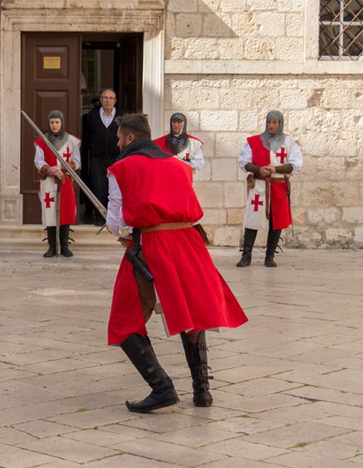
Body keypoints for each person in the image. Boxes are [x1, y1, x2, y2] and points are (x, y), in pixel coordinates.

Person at [106, 114, 247, 412]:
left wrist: (122, 233)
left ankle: (162, 388)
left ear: (130, 138)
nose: (117, 144)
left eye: (119, 138)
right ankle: (202, 390)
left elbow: (116, 222)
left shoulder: (121, 168)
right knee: (191, 311)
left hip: (151, 245)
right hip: (189, 243)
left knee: (123, 318)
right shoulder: (180, 165)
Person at [236, 110, 303, 268]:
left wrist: (276, 169)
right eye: (269, 122)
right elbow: (244, 162)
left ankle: (270, 256)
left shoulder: (290, 142)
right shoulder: (253, 141)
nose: (271, 125)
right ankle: (246, 256)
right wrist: (259, 169)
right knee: (252, 219)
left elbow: (295, 165)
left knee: (276, 220)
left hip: (279, 186)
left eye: (275, 122)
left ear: (280, 123)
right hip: (259, 186)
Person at [34, 110, 81, 257]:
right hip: (49, 181)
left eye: (57, 122)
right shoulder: (42, 141)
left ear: (62, 123)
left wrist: (61, 168)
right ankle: (52, 247)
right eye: (51, 122)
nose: (54, 125)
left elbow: (76, 162)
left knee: (66, 212)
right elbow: (38, 161)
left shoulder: (72, 141)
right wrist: (52, 170)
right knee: (49, 213)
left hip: (65, 181)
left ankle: (64, 246)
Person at [81, 88, 123, 225]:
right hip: (97, 158)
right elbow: (87, 137)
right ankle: (100, 218)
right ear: (101, 100)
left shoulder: (121, 116)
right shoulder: (92, 116)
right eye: (105, 98)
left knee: (115, 188)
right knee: (98, 187)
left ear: (115, 101)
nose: (108, 101)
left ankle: (114, 219)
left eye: (111, 98)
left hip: (116, 158)